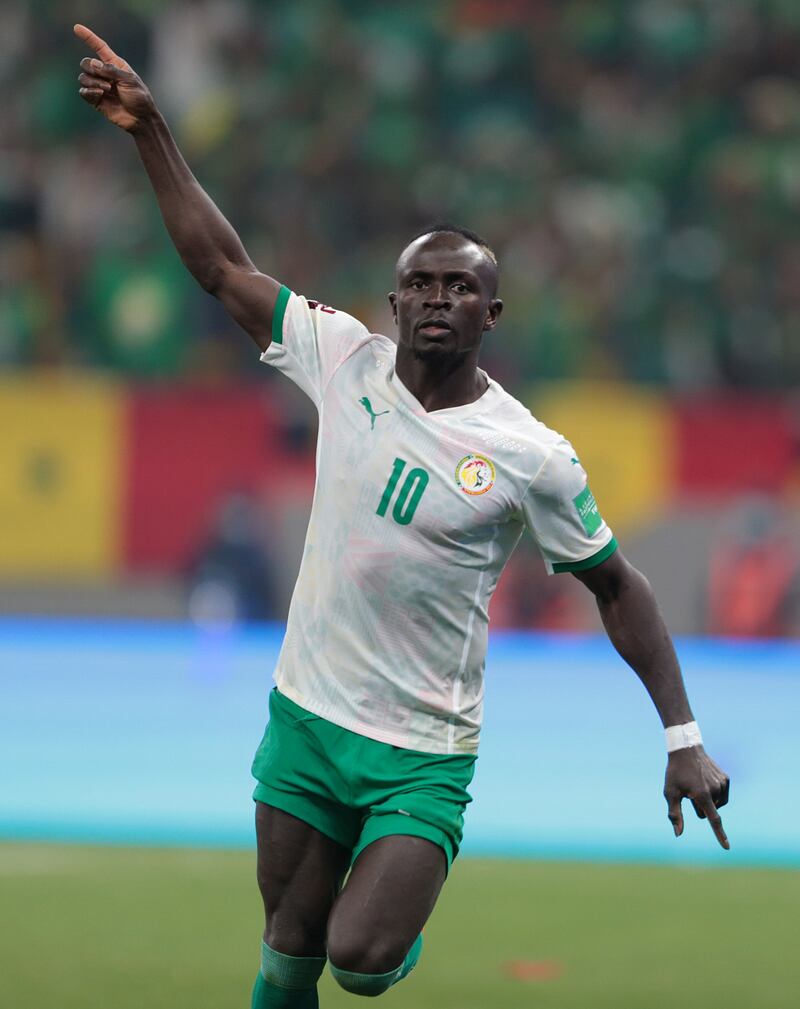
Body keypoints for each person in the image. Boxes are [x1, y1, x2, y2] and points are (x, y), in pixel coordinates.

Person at [74, 24, 731, 1008]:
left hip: (420, 751)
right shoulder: (342, 359)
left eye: (459, 287)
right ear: (391, 301)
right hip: (307, 714)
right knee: (286, 939)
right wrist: (150, 130)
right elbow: (219, 265)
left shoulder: (529, 455)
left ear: (489, 315)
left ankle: (390, 943)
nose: (435, 300)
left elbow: (615, 583)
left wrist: (681, 735)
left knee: (359, 957)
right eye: (418, 284)